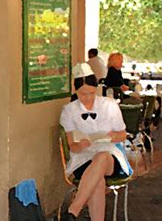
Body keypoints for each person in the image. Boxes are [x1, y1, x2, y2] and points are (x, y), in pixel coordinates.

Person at [60, 63, 130, 221]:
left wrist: (112, 137)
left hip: (110, 157)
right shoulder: (69, 111)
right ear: (76, 91)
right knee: (97, 179)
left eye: (91, 93)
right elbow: (72, 145)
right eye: (83, 94)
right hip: (83, 158)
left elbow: (123, 135)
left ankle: (73, 211)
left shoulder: (109, 105)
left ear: (96, 89)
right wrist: (80, 145)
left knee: (102, 157)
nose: (88, 98)